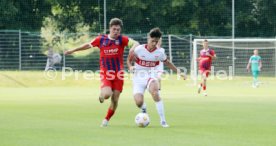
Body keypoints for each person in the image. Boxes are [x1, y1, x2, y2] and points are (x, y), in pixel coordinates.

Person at [64, 18, 139, 127]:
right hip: (106, 73)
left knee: (115, 100)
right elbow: (87, 45)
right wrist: (73, 50)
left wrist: (132, 49)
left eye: (118, 29)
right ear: (110, 28)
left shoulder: (122, 40)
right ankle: (101, 96)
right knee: (107, 94)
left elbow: (135, 43)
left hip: (119, 74)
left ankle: (106, 119)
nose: (116, 31)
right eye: (114, 29)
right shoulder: (101, 40)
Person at [127, 27, 186, 128]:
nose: (154, 43)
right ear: (148, 38)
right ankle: (144, 108)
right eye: (152, 41)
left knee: (155, 92)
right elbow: (129, 60)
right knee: (138, 102)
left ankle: (163, 121)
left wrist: (179, 72)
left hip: (151, 75)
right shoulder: (139, 49)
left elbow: (168, 62)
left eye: (156, 41)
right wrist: (130, 66)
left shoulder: (160, 52)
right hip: (138, 78)